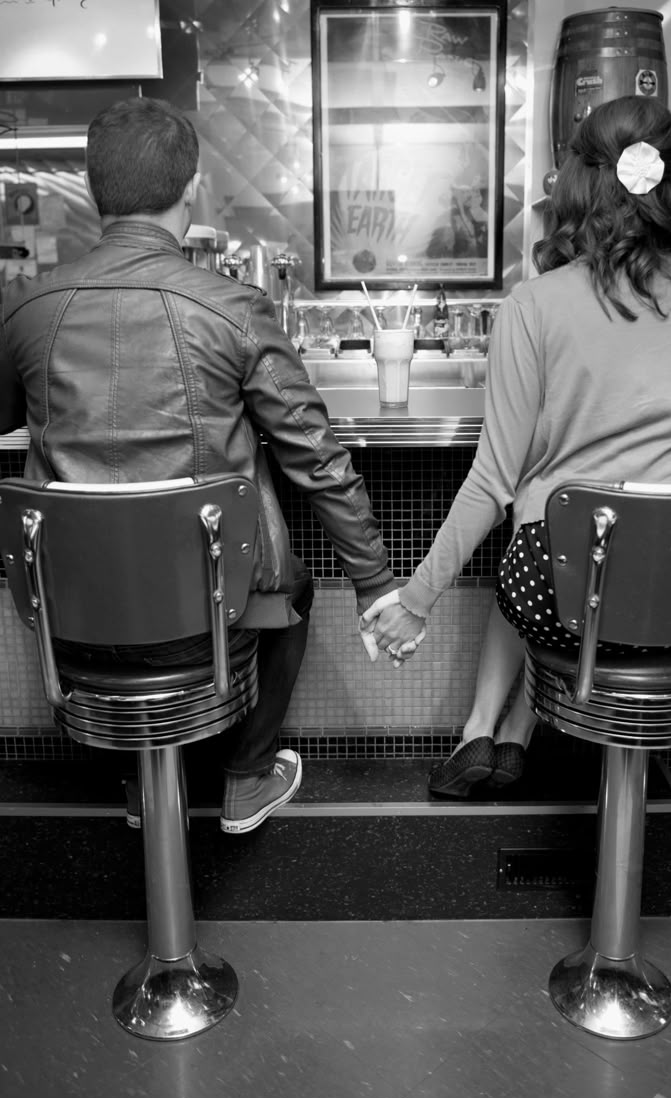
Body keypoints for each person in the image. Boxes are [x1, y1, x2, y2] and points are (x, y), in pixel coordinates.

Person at [0, 96, 399, 832]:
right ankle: (246, 774)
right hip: (212, 621)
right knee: (289, 588)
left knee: (114, 614)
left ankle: (142, 776)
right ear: (191, 192)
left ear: (93, 192)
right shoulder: (234, 309)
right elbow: (316, 454)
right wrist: (375, 581)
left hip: (71, 620)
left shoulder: (27, 311)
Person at [362, 94, 671, 797]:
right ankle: (510, 734)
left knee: (541, 522)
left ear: (575, 181)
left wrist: (416, 597)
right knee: (564, 525)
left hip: (569, 597)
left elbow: (490, 482)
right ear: (668, 183)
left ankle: (486, 730)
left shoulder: (532, 305)